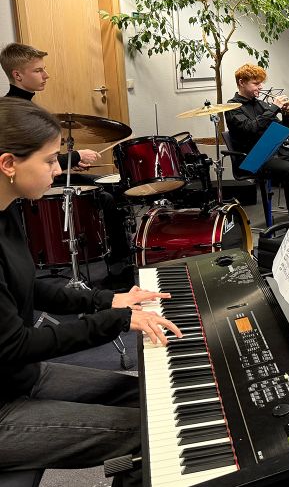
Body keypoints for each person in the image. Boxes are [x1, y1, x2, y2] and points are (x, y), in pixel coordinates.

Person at [0, 98, 181, 486]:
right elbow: (13, 345)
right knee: (149, 431)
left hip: (17, 376)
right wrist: (116, 320)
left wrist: (108, 298)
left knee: (147, 398)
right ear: (9, 164)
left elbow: (28, 285)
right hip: (4, 403)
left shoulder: (8, 208)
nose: (57, 170)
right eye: (50, 160)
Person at [1, 43, 131, 273]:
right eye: (38, 70)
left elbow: (36, 157)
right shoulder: (15, 112)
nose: (46, 75)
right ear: (17, 75)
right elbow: (24, 162)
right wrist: (75, 156)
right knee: (106, 195)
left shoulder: (21, 105)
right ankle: (118, 262)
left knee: (108, 183)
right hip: (21, 188)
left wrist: (69, 161)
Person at [224, 64, 289, 218]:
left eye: (261, 83)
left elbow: (280, 127)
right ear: (241, 82)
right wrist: (273, 109)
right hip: (251, 158)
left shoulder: (260, 104)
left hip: (270, 153)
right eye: (256, 83)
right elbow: (249, 128)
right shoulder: (232, 107)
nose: (260, 87)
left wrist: (286, 113)